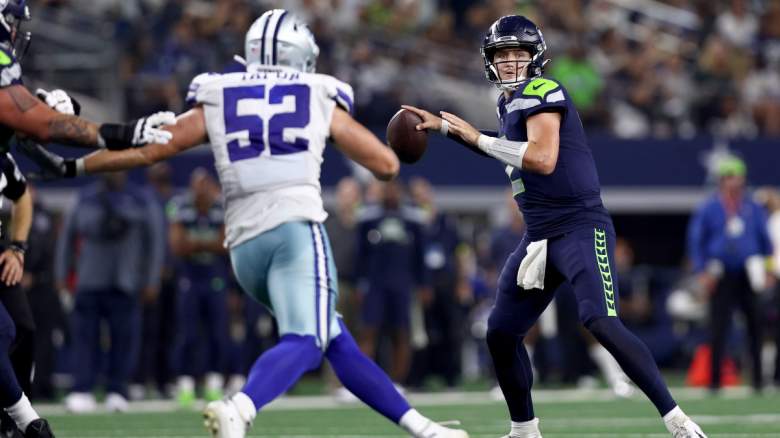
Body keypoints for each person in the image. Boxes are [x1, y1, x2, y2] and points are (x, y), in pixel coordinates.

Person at [27, 9, 468, 438]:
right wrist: (395, 144)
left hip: (243, 247)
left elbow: (152, 148)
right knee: (308, 339)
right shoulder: (317, 91)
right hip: (294, 231)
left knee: (333, 338)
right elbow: (387, 165)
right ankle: (242, 406)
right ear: (301, 56)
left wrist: (71, 169)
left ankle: (423, 429)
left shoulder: (218, 91)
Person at [402, 15, 706, 438]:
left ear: (535, 57)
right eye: (502, 54)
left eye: (518, 53)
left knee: (600, 321)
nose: (509, 61)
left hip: (580, 226)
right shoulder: (508, 103)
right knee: (501, 333)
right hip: (540, 235)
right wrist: (450, 130)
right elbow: (504, 147)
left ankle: (678, 421)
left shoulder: (544, 90)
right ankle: (525, 430)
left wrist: (474, 137)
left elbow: (542, 158)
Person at [55, 171, 165, 413]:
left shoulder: (141, 199)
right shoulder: (85, 197)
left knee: (124, 339)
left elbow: (155, 241)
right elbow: (66, 237)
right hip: (89, 279)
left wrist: (151, 279)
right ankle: (82, 388)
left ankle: (117, 389)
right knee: (85, 337)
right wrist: (62, 275)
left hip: (125, 280)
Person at [687, 157, 772, 393]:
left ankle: (758, 380)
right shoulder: (710, 207)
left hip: (748, 271)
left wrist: (767, 270)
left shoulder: (752, 207)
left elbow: (765, 241)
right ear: (722, 180)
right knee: (718, 327)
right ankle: (715, 381)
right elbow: (696, 240)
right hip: (720, 271)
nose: (735, 182)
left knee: (755, 325)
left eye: (739, 177)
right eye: (731, 177)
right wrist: (701, 270)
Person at [167, 169, 231, 406]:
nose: (202, 191)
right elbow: (177, 246)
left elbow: (226, 244)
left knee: (218, 332)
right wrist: (208, 244)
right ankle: (185, 384)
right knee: (187, 332)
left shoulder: (221, 208)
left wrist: (194, 243)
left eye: (206, 186)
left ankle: (214, 383)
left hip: (214, 277)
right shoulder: (179, 206)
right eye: (198, 186)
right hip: (189, 277)